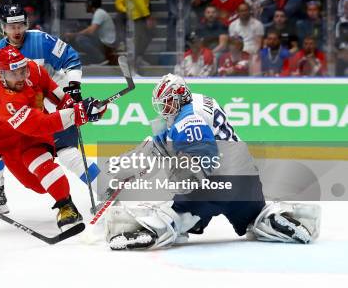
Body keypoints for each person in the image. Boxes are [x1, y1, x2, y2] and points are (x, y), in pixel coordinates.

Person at [105, 73, 320, 250]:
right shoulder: (200, 100)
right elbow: (166, 142)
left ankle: (156, 227)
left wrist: (178, 181)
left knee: (177, 216)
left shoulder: (189, 120)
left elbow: (201, 160)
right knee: (254, 218)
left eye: (168, 102)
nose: (164, 108)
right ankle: (274, 218)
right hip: (247, 180)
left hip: (217, 183)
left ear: (180, 96)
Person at [0, 3, 102, 214]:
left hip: (55, 100)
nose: (16, 31)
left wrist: (73, 88)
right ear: (3, 28)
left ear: (26, 24)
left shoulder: (41, 40)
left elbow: (71, 58)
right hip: (26, 111)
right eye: (11, 26)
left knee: (66, 152)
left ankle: (105, 189)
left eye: (20, 25)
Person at [65, 0, 116, 65]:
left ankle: (100, 59)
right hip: (102, 42)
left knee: (80, 39)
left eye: (86, 3)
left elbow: (91, 31)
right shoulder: (99, 13)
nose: (85, 5)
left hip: (106, 44)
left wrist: (74, 35)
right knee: (81, 36)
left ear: (90, 3)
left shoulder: (99, 13)